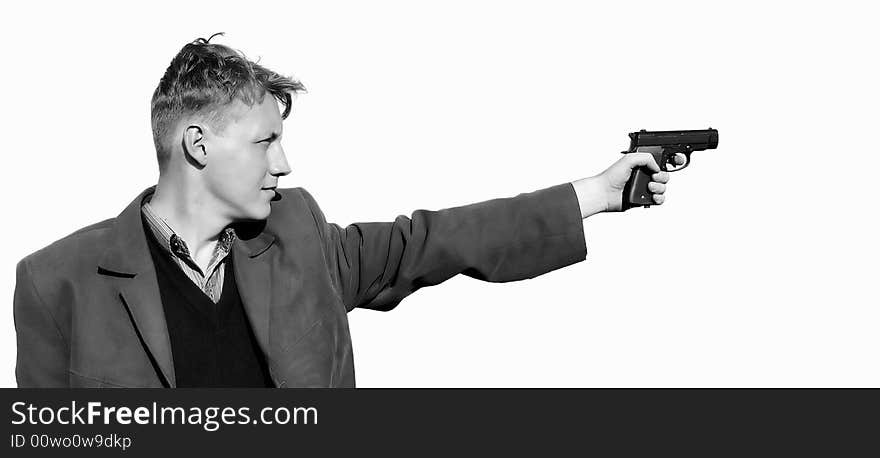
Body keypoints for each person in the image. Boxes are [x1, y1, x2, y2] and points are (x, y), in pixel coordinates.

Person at [13, 34, 676, 388]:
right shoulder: (56, 283)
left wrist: (596, 194)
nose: (285, 164)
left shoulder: (297, 233)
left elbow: (431, 242)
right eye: (266, 141)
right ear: (198, 144)